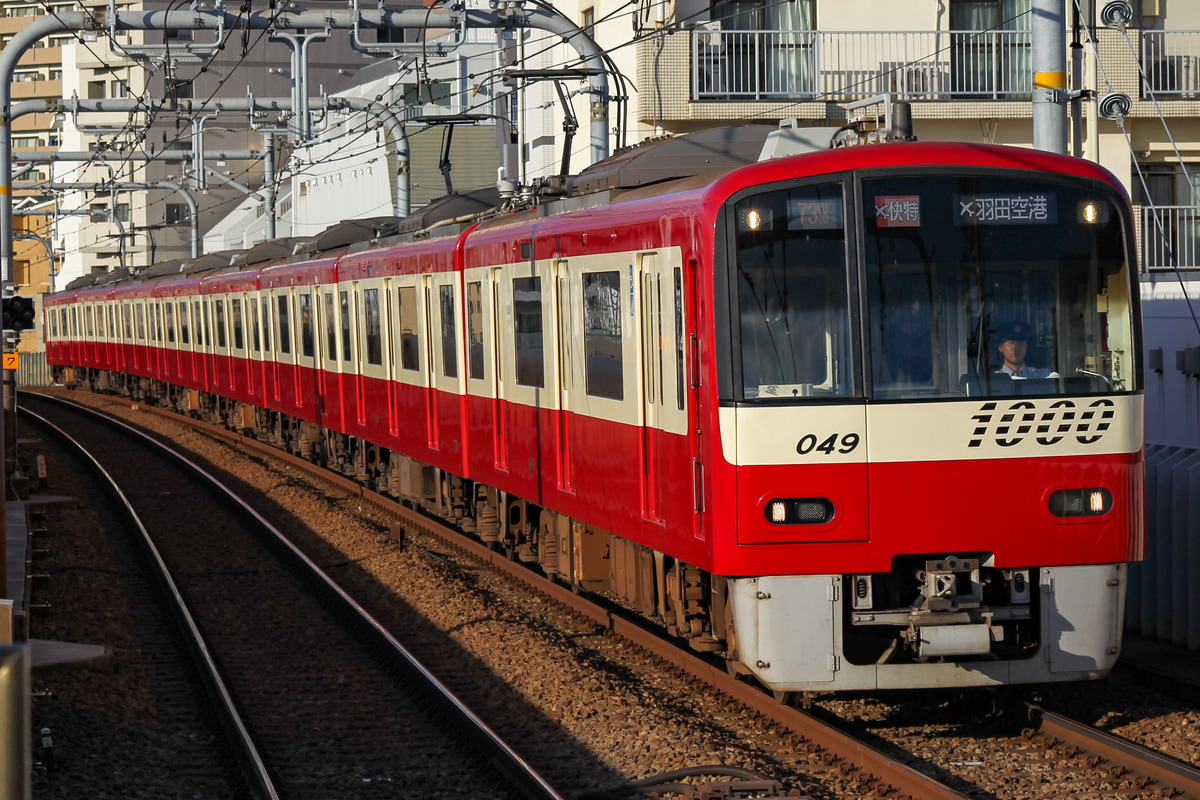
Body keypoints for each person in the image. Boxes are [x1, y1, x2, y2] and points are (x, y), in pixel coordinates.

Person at [993, 320, 1059, 379]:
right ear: (1001, 347)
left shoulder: (1040, 375)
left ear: (1026, 346)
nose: (1016, 348)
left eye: (1020, 343)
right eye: (1011, 343)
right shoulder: (995, 379)